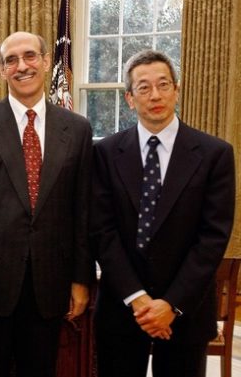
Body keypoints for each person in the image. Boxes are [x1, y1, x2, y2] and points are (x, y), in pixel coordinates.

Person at [0, 31, 94, 377]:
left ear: (47, 62)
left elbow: (83, 209)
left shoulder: (76, 128)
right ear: (1, 70)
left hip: (50, 286)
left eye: (30, 56)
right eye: (11, 60)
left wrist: (80, 279)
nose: (22, 66)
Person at [91, 49, 236, 377]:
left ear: (177, 89)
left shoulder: (215, 154)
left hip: (186, 311)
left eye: (163, 84)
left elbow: (212, 239)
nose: (155, 95)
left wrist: (170, 304)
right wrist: (138, 298)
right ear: (130, 98)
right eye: (143, 88)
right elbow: (101, 230)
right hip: (122, 308)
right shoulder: (105, 153)